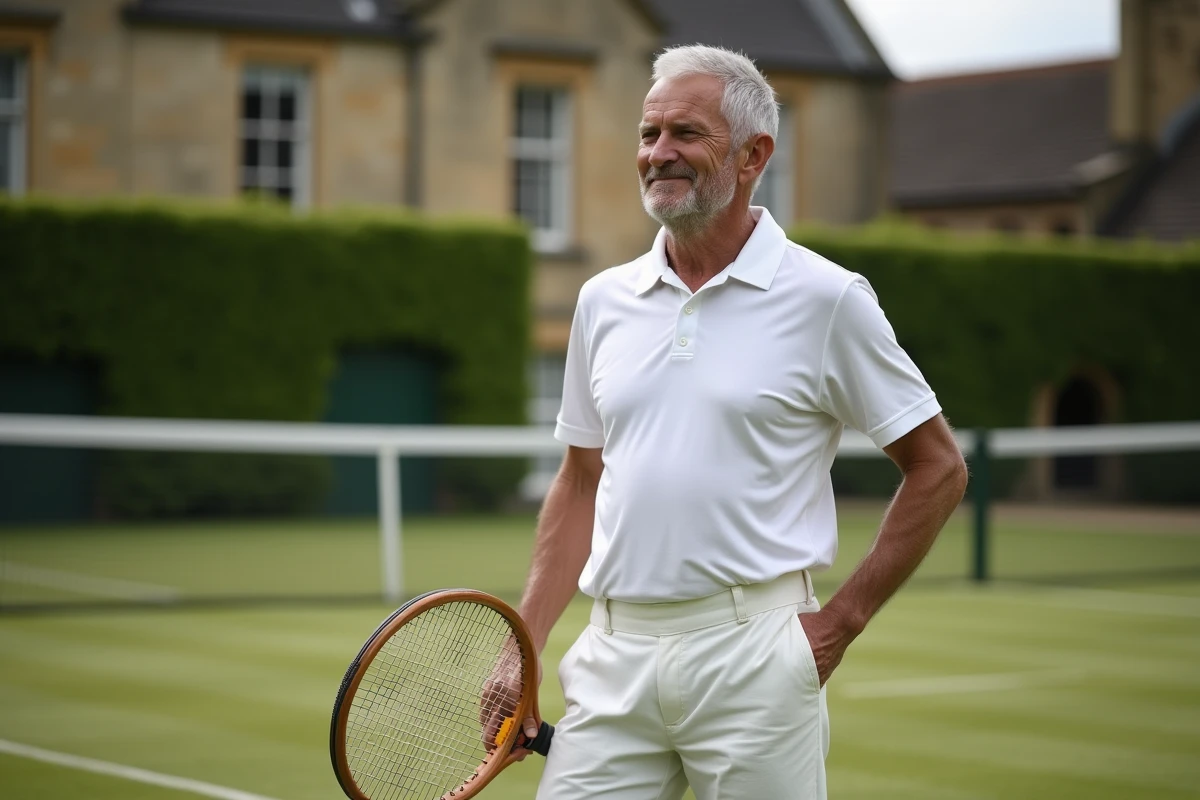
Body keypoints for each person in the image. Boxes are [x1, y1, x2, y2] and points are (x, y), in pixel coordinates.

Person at [513, 44, 968, 799]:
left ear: (755, 154)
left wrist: (841, 623)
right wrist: (524, 647)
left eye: (686, 134)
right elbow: (581, 479)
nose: (659, 153)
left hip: (758, 658)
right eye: (648, 133)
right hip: (611, 656)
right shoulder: (601, 300)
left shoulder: (829, 298)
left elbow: (939, 466)